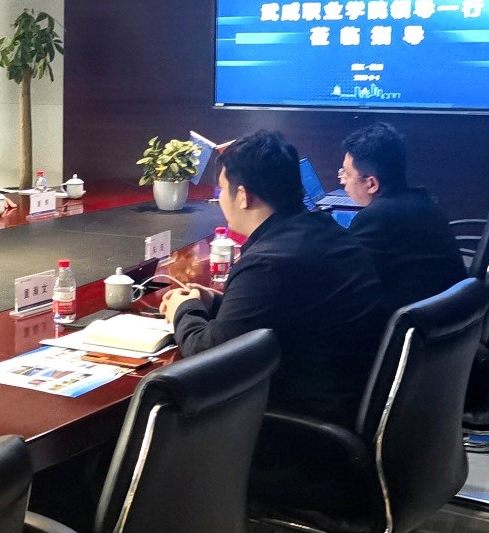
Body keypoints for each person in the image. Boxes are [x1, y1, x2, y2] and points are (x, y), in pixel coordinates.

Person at [160, 130, 387, 426]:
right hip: (348, 405)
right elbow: (280, 311)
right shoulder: (326, 233)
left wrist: (184, 309)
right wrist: (215, 302)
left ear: (243, 196)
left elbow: (210, 356)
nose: (221, 200)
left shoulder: (269, 262)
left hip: (302, 426)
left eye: (222, 190)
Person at [339, 122, 466, 309]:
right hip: (450, 313)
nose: (342, 181)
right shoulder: (421, 201)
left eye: (347, 174)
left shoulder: (376, 218)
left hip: (417, 321)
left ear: (371, 183)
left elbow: (342, 274)